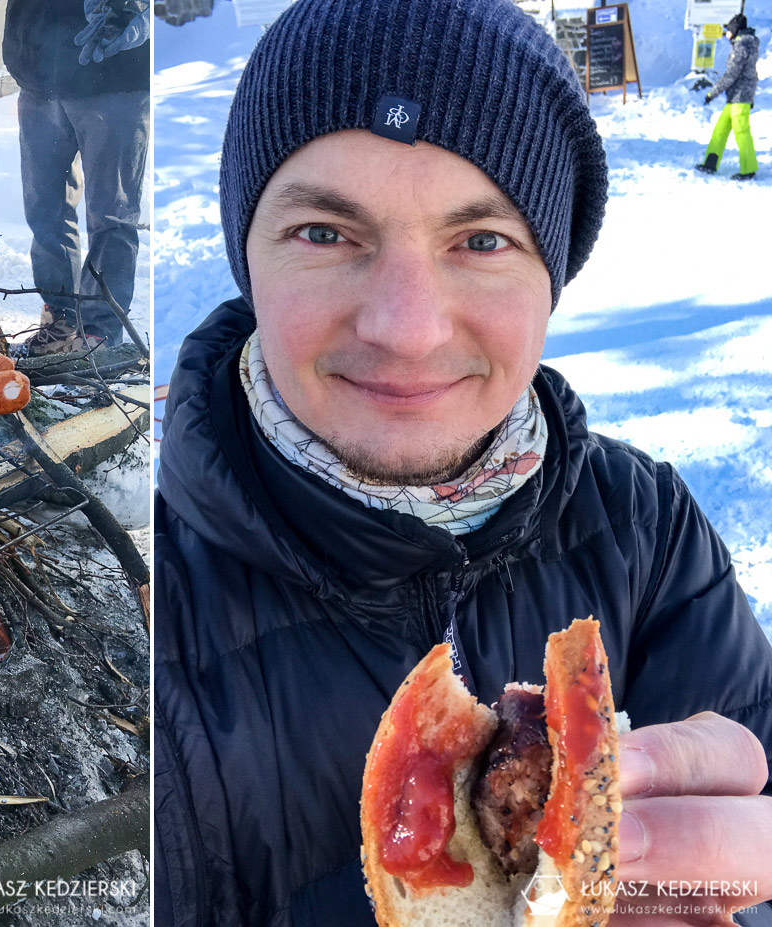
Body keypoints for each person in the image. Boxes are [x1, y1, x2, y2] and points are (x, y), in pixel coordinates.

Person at [153, 1, 772, 925]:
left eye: (481, 242)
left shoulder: (648, 533)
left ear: (550, 278)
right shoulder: (143, 611)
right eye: (326, 233)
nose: (406, 329)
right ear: (248, 258)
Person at [3, 0, 149, 355]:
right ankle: (61, 319)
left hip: (114, 75)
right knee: (44, 212)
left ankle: (99, 332)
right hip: (38, 72)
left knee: (111, 216)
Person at [696, 13, 759, 181]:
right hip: (736, 96)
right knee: (721, 129)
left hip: (740, 96)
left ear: (736, 30)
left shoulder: (741, 46)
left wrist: (712, 93)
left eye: (728, 30)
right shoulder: (746, 44)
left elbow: (731, 75)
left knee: (742, 132)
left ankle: (749, 169)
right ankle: (710, 163)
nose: (726, 33)